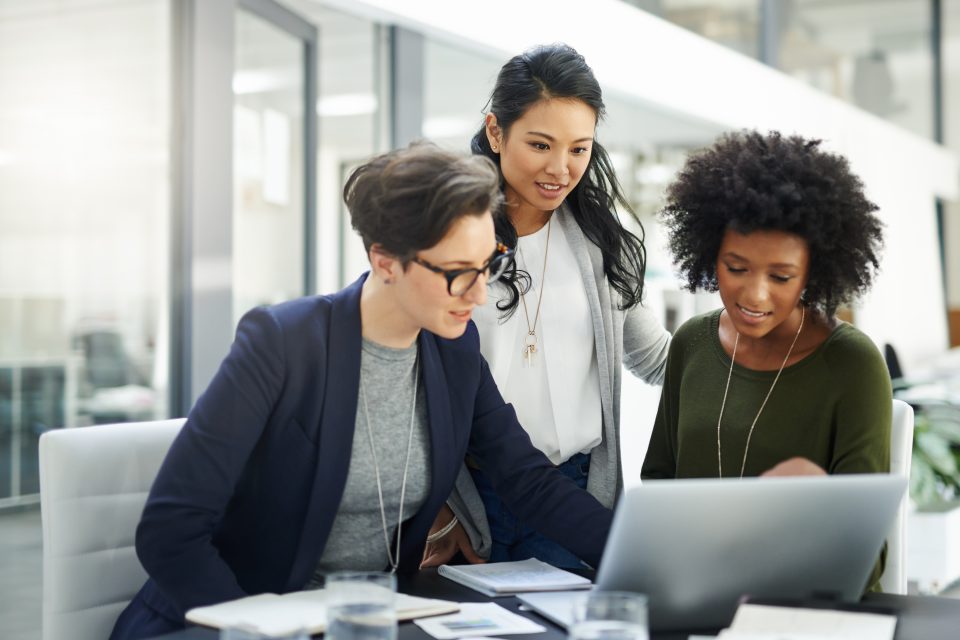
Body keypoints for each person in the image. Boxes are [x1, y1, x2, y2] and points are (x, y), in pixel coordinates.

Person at [109, 143, 614, 640]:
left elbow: (527, 480)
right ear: (386, 261)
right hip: (236, 620)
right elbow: (170, 530)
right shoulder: (283, 344)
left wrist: (631, 553)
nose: (480, 293)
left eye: (488, 267)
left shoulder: (454, 352)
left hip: (366, 620)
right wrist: (259, 632)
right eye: (460, 273)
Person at [421, 44, 670, 570]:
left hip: (574, 495)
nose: (560, 169)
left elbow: (656, 359)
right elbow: (409, 381)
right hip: (469, 500)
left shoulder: (603, 243)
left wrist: (756, 341)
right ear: (495, 132)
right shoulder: (447, 239)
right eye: (540, 144)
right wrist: (439, 508)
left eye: (579, 149)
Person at [641, 130, 891, 590]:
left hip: (805, 605)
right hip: (696, 592)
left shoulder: (852, 365)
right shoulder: (691, 343)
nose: (754, 295)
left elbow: (866, 557)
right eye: (736, 268)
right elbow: (658, 485)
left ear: (813, 273)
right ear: (709, 254)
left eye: (781, 276)